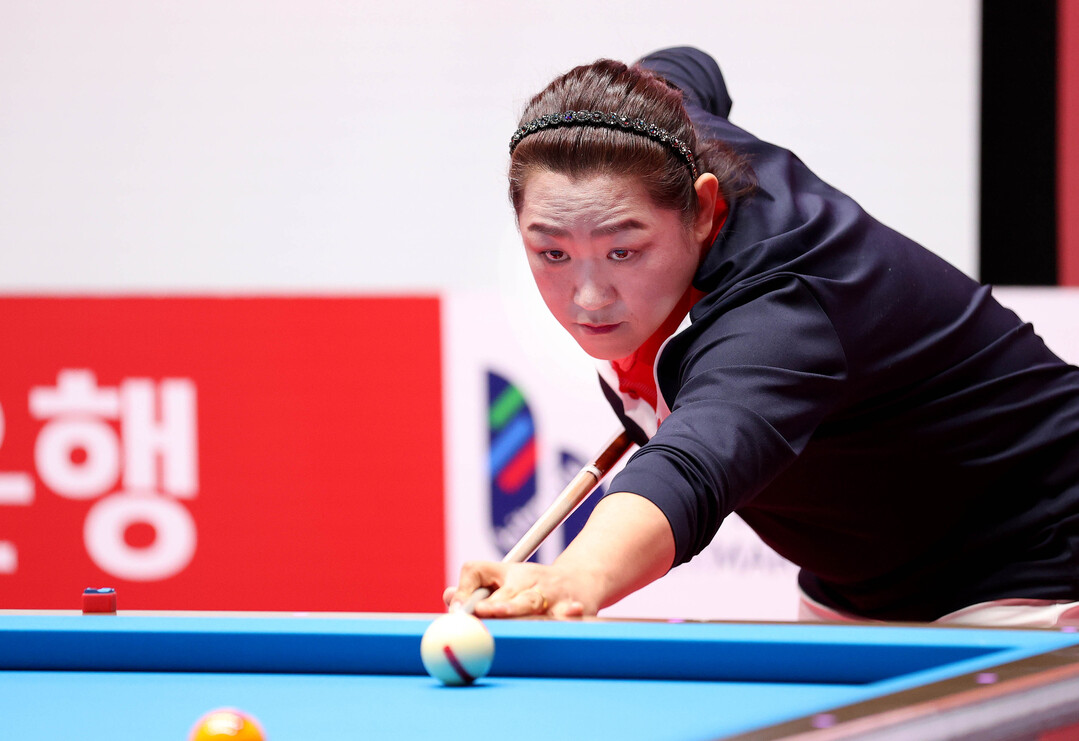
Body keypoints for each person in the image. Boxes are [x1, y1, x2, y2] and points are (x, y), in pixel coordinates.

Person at [446, 47, 1079, 626]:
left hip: (1035, 557)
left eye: (623, 251)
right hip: (860, 581)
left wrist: (572, 578)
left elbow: (691, 465)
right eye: (552, 253)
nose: (588, 296)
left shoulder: (779, 315)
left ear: (701, 209)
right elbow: (688, 66)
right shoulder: (651, 136)